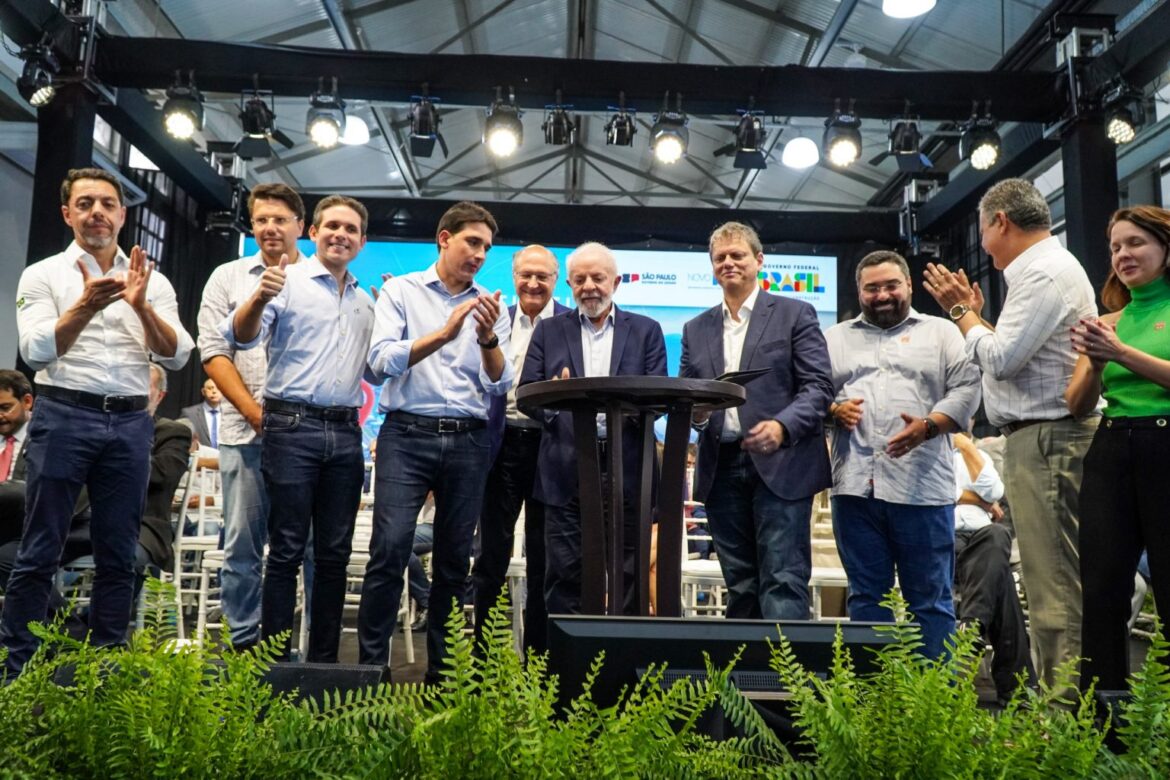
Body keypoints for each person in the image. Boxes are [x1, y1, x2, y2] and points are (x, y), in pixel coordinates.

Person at [2, 167, 193, 675]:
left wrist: (142, 306)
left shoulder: (153, 280)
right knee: (38, 550)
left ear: (122, 214)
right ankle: (16, 671)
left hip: (130, 424)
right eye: (85, 204)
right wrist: (85, 306)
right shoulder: (44, 275)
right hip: (64, 414)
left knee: (117, 553)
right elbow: (34, 348)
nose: (97, 213)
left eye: (107, 203)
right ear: (67, 214)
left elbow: (177, 355)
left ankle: (105, 671)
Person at [923, 178, 1099, 689]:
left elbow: (1000, 362)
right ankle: (1066, 709)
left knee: (1054, 589)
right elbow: (1018, 359)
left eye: (982, 231)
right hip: (1041, 437)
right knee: (1052, 585)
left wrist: (962, 314)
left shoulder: (1042, 273)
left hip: (1048, 438)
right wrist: (978, 320)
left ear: (1001, 221)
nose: (981, 244)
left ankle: (1066, 719)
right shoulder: (1042, 270)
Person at [359, 201, 513, 683]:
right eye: (472, 242)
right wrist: (444, 335)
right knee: (389, 550)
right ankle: (370, 671)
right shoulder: (401, 293)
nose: (480, 255)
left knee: (452, 563)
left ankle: (443, 681)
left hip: (468, 442)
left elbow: (498, 385)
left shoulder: (492, 304)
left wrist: (487, 339)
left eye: (486, 247)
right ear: (444, 239)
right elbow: (380, 361)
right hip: (407, 435)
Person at [224, 194, 374, 663]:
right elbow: (241, 336)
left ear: (362, 242)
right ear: (314, 232)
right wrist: (259, 297)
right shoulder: (285, 281)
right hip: (291, 424)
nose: (340, 235)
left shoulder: (366, 301)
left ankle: (324, 663)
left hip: (347, 433)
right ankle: (273, 663)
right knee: (286, 550)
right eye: (332, 226)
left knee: (334, 555)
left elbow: (374, 369)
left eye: (351, 229)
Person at [827, 250, 981, 659]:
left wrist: (929, 425)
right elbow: (812, 393)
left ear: (909, 286)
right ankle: (872, 707)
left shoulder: (943, 333)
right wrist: (831, 410)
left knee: (930, 603)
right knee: (865, 600)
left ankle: (935, 710)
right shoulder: (835, 338)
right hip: (854, 489)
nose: (882, 294)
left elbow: (968, 388)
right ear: (859, 291)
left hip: (922, 490)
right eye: (872, 287)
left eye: (891, 285)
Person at [679, 221, 834, 620]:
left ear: (759, 260)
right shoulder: (694, 329)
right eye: (720, 258)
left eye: (737, 255)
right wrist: (695, 413)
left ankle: (786, 683)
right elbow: (685, 396)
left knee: (783, 579)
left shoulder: (795, 313)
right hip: (721, 467)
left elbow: (818, 387)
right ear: (712, 267)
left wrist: (782, 426)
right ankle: (746, 680)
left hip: (783, 464)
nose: (728, 263)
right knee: (741, 586)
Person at [521, 241, 668, 616]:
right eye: (580, 279)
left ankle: (628, 669)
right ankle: (566, 670)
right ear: (569, 284)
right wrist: (559, 401)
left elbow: (659, 397)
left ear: (616, 282)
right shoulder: (549, 331)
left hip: (631, 468)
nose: (589, 286)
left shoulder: (647, 331)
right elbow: (527, 397)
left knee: (629, 573)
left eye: (598, 278)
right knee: (565, 574)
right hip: (566, 467)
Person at [196, 182, 309, 652]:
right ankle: (243, 645)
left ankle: (297, 649)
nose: (269, 228)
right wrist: (256, 413)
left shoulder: (320, 277)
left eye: (280, 219)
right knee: (242, 546)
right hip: (246, 433)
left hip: (307, 437)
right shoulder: (229, 277)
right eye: (261, 219)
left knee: (308, 550)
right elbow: (213, 351)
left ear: (300, 226)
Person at [1064, 205, 1170, 692]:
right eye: (1115, 247)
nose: (1122, 255)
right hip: (1110, 446)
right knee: (1103, 588)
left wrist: (1121, 352)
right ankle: (1102, 718)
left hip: (1164, 442)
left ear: (1165, 247)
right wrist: (1097, 362)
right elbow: (1077, 403)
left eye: (1135, 243)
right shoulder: (1109, 320)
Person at [2, 365, 192, 615]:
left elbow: (164, 474)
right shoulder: (89, 430)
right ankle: (70, 630)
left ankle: (100, 634)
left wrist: (121, 448)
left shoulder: (171, 431)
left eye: (140, 389)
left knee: (125, 559)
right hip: (78, 521)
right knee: (8, 556)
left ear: (159, 396)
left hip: (138, 525)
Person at [472, 245, 568, 653]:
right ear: (514, 278)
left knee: (546, 561)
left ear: (555, 280)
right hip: (500, 445)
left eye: (542, 276)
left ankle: (538, 663)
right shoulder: (496, 320)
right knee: (491, 557)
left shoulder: (571, 322)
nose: (533, 283)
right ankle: (483, 660)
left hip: (552, 448)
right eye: (526, 274)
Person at [951, 430, 1036, 704]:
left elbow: (995, 491)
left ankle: (972, 626)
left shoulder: (977, 455)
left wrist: (967, 447)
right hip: (943, 537)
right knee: (1002, 584)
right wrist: (977, 500)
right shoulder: (927, 454)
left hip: (982, 540)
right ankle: (1018, 688)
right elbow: (939, 492)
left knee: (998, 534)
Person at [181, 378, 222, 451]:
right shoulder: (190, 414)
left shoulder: (230, 414)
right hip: (199, 459)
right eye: (210, 388)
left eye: (218, 388)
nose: (214, 391)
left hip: (226, 459)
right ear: (203, 391)